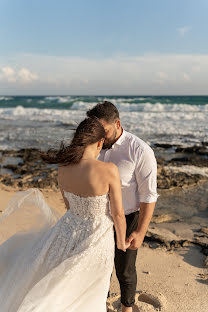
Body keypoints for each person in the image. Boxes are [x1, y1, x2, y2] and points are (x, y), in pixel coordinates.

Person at [0, 117, 129, 312]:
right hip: (97, 235)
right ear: (100, 142)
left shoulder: (63, 168)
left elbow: (69, 206)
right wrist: (121, 242)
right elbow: (118, 213)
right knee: (89, 286)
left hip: (66, 230)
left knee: (61, 281)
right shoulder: (108, 170)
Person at [87, 101, 159, 312]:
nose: (100, 136)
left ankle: (127, 307)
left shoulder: (140, 151)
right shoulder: (93, 146)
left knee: (125, 269)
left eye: (104, 131)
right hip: (98, 219)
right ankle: (99, 304)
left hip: (127, 219)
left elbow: (149, 195)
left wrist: (141, 231)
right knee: (99, 267)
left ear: (117, 124)